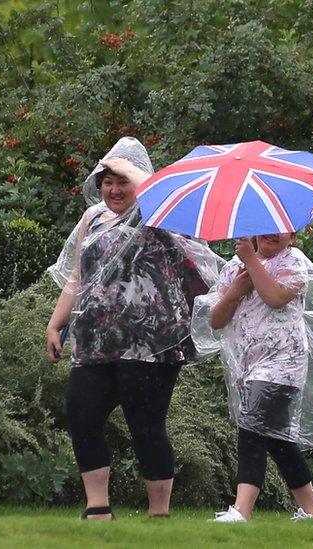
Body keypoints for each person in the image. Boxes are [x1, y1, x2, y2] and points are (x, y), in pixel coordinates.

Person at [46, 138, 223, 520]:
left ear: (140, 181)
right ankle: (98, 507)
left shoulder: (161, 213)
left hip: (152, 342)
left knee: (145, 423)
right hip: (95, 339)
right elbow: (78, 276)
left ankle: (158, 513)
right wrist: (56, 321)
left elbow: (195, 255)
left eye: (122, 180)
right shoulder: (91, 219)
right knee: (82, 414)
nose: (113, 189)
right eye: (107, 180)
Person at [192, 234, 313, 523]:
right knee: (277, 439)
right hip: (247, 366)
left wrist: (250, 259)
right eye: (266, 226)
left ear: (292, 235)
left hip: (283, 363)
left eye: (280, 227)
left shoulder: (293, 262)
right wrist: (235, 290)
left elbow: (275, 298)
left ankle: (242, 510)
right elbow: (216, 320)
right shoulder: (234, 268)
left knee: (251, 427)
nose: (272, 233)